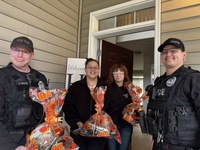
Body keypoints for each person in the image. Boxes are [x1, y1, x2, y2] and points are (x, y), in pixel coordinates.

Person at [143, 38, 200, 150]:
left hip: (184, 146)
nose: (168, 54)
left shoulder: (194, 78)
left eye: (173, 50)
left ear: (184, 55)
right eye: (164, 52)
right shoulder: (159, 82)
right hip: (159, 144)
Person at [0, 36, 48, 150]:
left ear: (32, 54)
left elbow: (44, 113)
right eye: (16, 50)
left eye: (25, 51)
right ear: (10, 50)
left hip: (36, 141)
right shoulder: (2, 77)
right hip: (9, 142)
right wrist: (12, 147)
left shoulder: (40, 78)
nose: (20, 55)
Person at [63, 58, 118, 150]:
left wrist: (111, 124)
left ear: (98, 69)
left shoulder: (106, 87)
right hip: (78, 131)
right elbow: (68, 107)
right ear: (85, 69)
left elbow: (113, 107)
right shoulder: (76, 87)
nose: (93, 70)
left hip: (98, 132)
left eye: (95, 67)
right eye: (90, 67)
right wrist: (77, 122)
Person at [106, 64, 133, 150]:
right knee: (111, 148)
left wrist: (135, 108)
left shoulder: (130, 89)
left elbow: (133, 106)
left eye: (121, 73)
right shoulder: (107, 88)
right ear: (112, 75)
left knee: (123, 148)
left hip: (125, 125)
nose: (118, 75)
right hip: (111, 125)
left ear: (125, 75)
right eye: (115, 73)